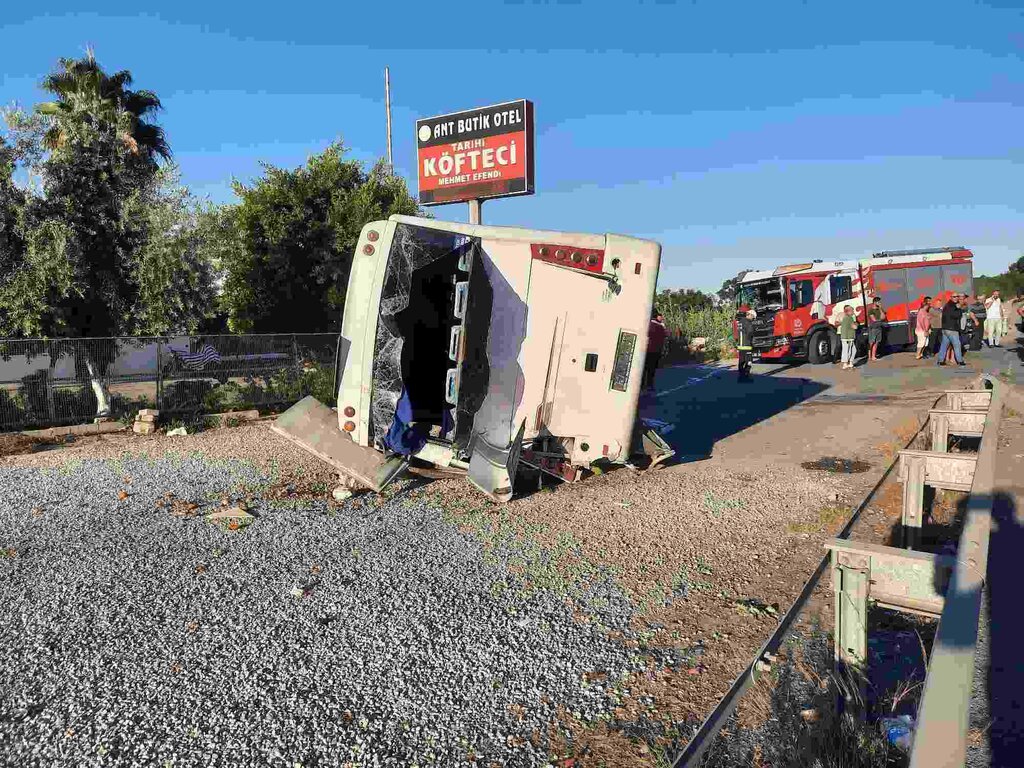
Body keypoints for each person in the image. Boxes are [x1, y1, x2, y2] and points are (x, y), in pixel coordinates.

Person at [937, 294, 966, 367]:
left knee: (944, 345)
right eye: (954, 297)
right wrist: (959, 309)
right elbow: (956, 315)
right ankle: (960, 361)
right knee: (957, 345)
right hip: (952, 329)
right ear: (951, 297)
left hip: (945, 328)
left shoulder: (947, 305)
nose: (956, 298)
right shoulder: (953, 306)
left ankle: (940, 361)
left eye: (957, 297)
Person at [642, 312, 668, 391]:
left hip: (646, 349)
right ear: (657, 317)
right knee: (651, 368)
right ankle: (649, 385)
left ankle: (642, 384)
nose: (662, 318)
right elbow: (666, 335)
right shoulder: (660, 326)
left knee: (644, 368)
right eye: (661, 317)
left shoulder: (647, 324)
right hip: (655, 350)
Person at [736, 308, 755, 382]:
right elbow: (750, 332)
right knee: (749, 361)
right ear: (750, 315)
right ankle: (747, 374)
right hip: (747, 345)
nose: (753, 319)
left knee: (741, 361)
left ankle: (741, 375)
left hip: (740, 345)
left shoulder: (740, 321)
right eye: (753, 317)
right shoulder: (748, 322)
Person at [838, 304, 858, 369]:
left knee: (852, 350)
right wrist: (856, 324)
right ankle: (845, 364)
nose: (853, 311)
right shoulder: (848, 318)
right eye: (852, 310)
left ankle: (850, 363)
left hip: (848, 337)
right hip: (848, 338)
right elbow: (855, 327)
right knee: (848, 350)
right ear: (848, 311)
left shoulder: (847, 318)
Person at [867, 296, 886, 362]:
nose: (880, 303)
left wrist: (880, 309)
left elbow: (883, 317)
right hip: (873, 328)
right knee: (871, 342)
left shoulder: (880, 309)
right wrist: (880, 319)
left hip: (879, 327)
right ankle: (869, 356)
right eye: (878, 302)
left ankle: (873, 356)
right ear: (875, 302)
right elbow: (873, 319)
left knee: (876, 342)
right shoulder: (871, 310)